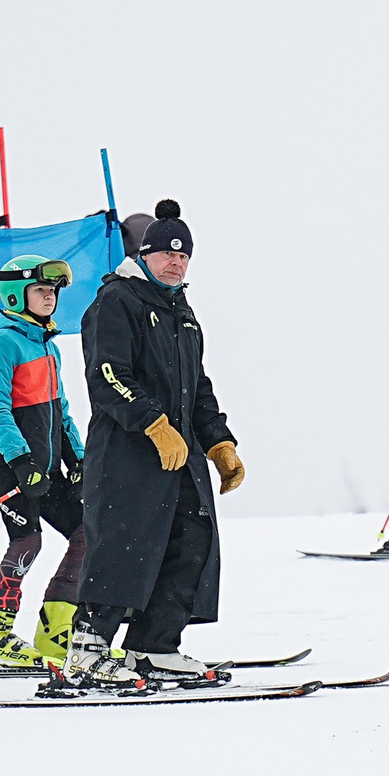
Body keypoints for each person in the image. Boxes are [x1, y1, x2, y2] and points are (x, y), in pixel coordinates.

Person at [65, 200, 244, 687]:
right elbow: (107, 376)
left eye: (184, 256)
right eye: (166, 253)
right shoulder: (116, 302)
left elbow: (197, 387)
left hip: (181, 461)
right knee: (125, 547)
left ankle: (153, 646)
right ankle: (87, 648)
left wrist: (219, 441)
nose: (176, 262)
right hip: (128, 456)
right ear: (144, 255)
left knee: (190, 543)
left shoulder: (183, 315)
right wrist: (153, 423)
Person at [0, 255, 92, 669]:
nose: (50, 297)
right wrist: (21, 461)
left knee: (86, 534)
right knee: (27, 541)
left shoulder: (45, 342)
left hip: (46, 469)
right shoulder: (2, 339)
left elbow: (62, 410)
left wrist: (76, 457)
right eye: (41, 290)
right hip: (11, 466)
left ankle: (55, 633)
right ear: (17, 294)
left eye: (53, 291)